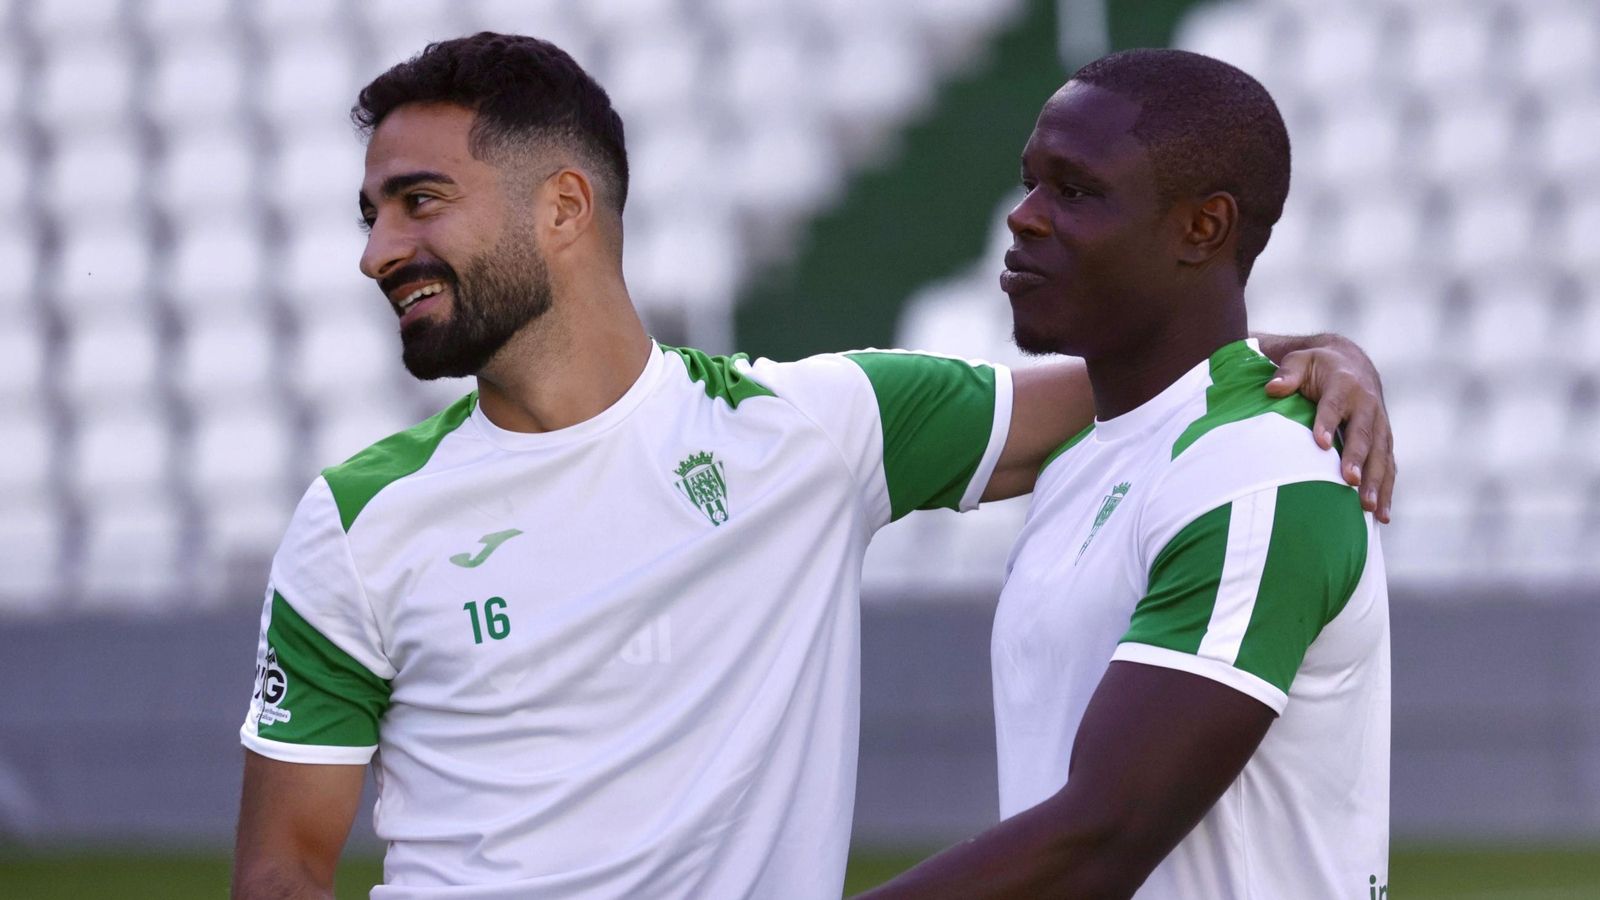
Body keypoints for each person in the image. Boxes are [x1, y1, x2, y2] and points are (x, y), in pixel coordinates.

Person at [230, 34, 1393, 900]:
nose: (380, 250)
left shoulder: (815, 429)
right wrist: (1299, 355)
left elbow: (1149, 387)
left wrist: (1323, 358)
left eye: (417, 202)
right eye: (372, 212)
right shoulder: (356, 520)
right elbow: (281, 866)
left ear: (565, 208)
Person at [860, 49, 1389, 899]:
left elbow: (1103, 837)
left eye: (1074, 191)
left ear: (1202, 228)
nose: (1023, 218)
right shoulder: (1089, 449)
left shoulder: (1262, 471)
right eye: (1030, 182)